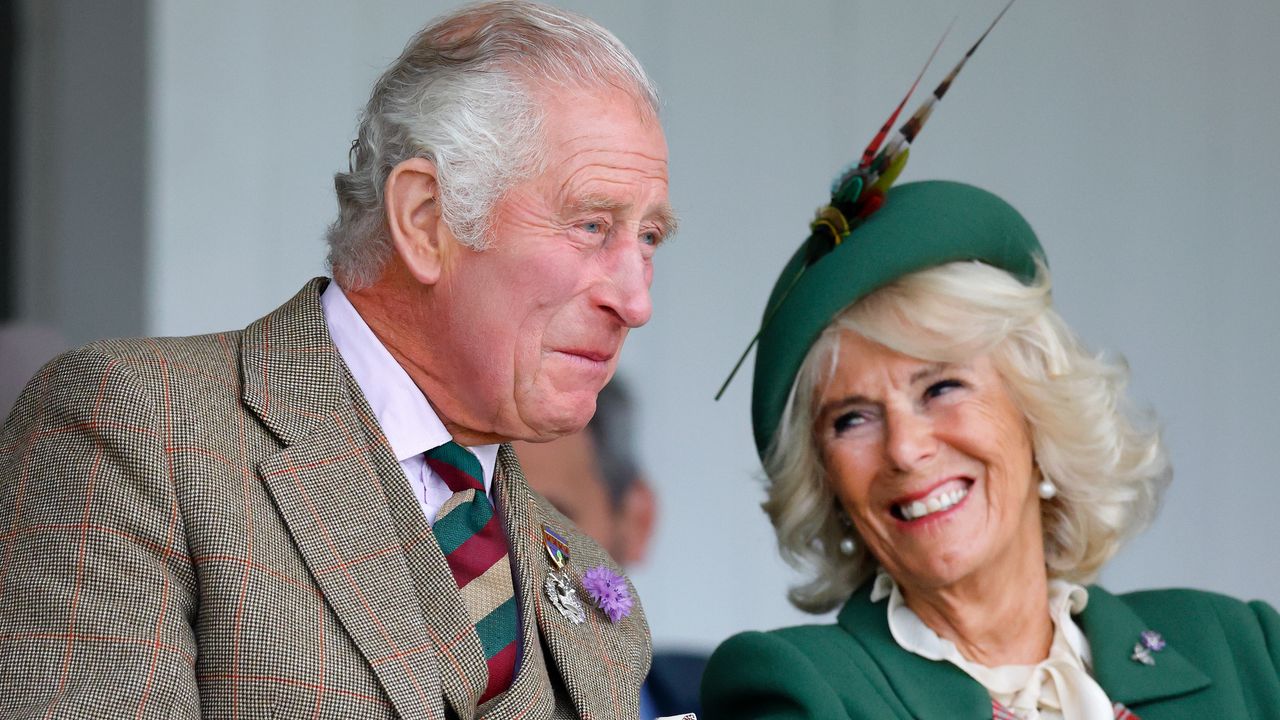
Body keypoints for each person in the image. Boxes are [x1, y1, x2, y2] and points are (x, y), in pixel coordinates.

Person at [0, 2, 675, 718]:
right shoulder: (139, 426)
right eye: (592, 225)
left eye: (651, 239)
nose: (636, 301)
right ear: (423, 220)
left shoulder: (593, 586)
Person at [700, 178, 1280, 718]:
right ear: (826, 481)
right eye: (852, 419)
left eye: (941, 387)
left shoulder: (1243, 648)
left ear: (1035, 411)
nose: (905, 449)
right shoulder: (800, 689)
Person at [514, 379, 706, 720]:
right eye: (473, 519)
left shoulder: (739, 700)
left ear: (637, 521)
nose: (504, 557)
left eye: (550, 523)